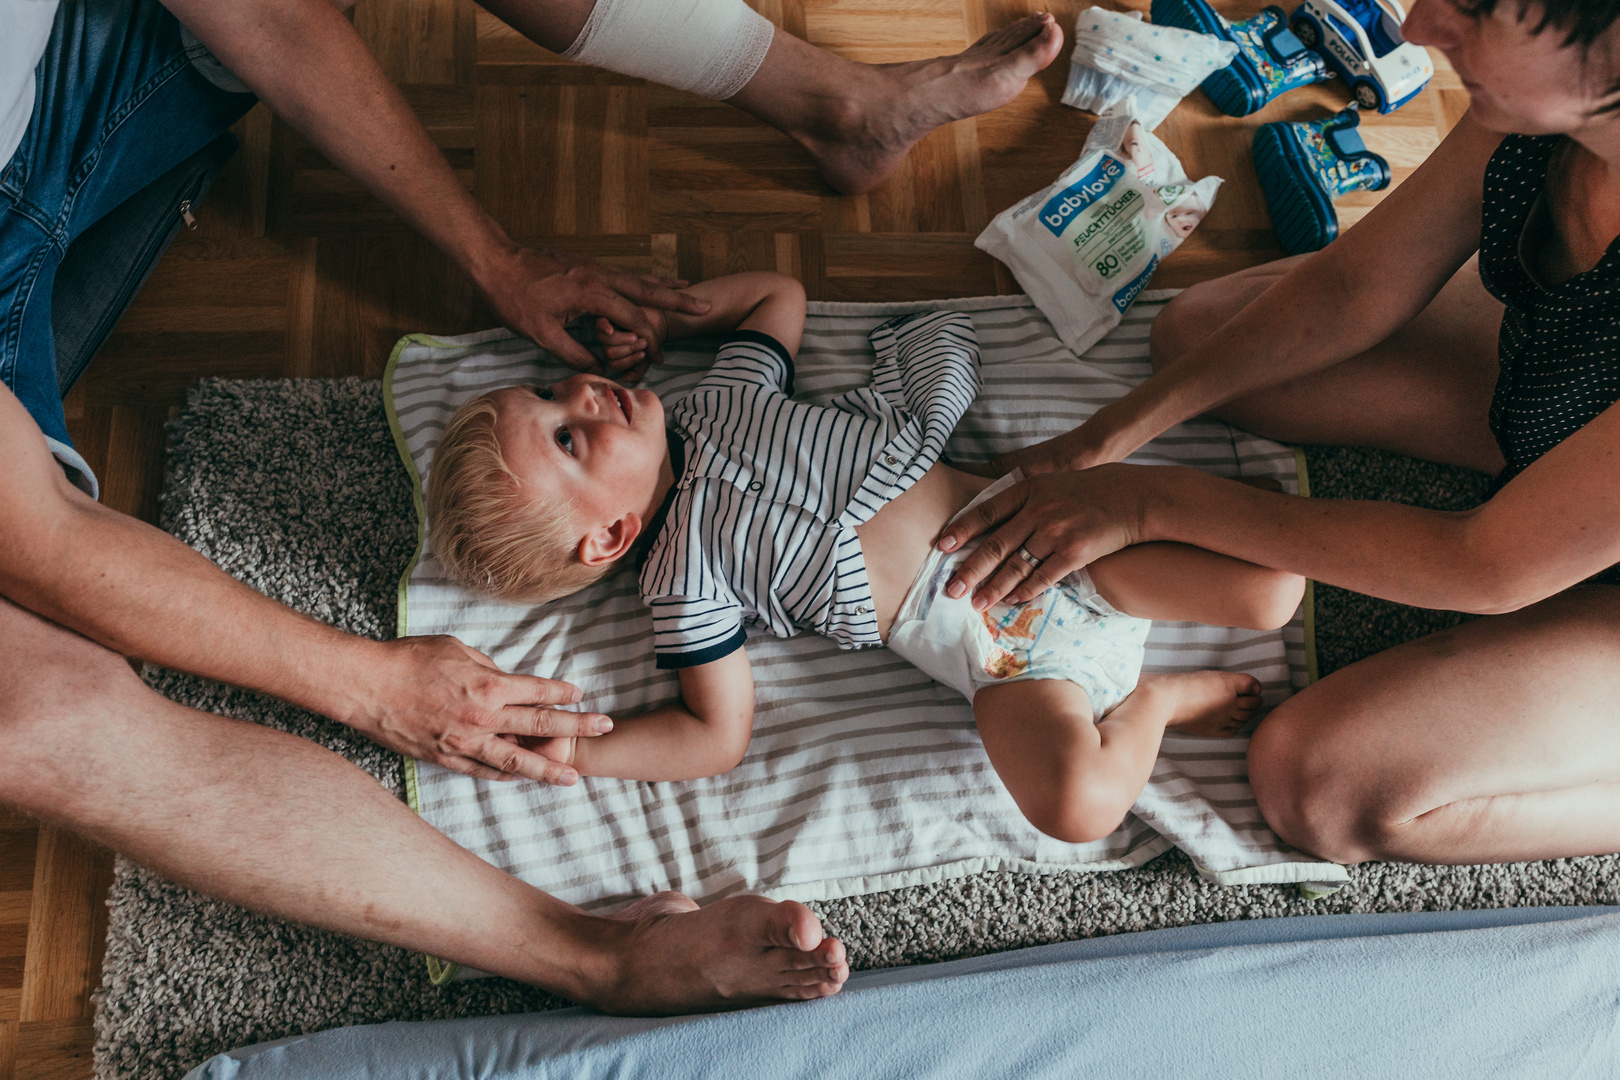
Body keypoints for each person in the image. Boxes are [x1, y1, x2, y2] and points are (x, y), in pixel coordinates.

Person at [928, 0, 1620, 868]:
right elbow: (1356, 288)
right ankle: (1548, 452)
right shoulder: (1547, 107)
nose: (1419, 30)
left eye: (1476, 14)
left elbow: (1483, 563)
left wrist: (1150, 500)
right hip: (1577, 390)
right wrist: (1106, 435)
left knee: (1323, 787)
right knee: (1201, 335)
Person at [426, 271, 1304, 842]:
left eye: (547, 391)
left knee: (1275, 586)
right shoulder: (682, 585)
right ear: (610, 537)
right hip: (1009, 667)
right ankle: (1156, 707)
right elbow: (713, 737)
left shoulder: (721, 396)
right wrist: (577, 752)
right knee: (1078, 810)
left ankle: (1150, 529)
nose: (578, 391)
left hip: (1046, 533)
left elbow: (779, 299)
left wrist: (667, 316)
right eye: (570, 439)